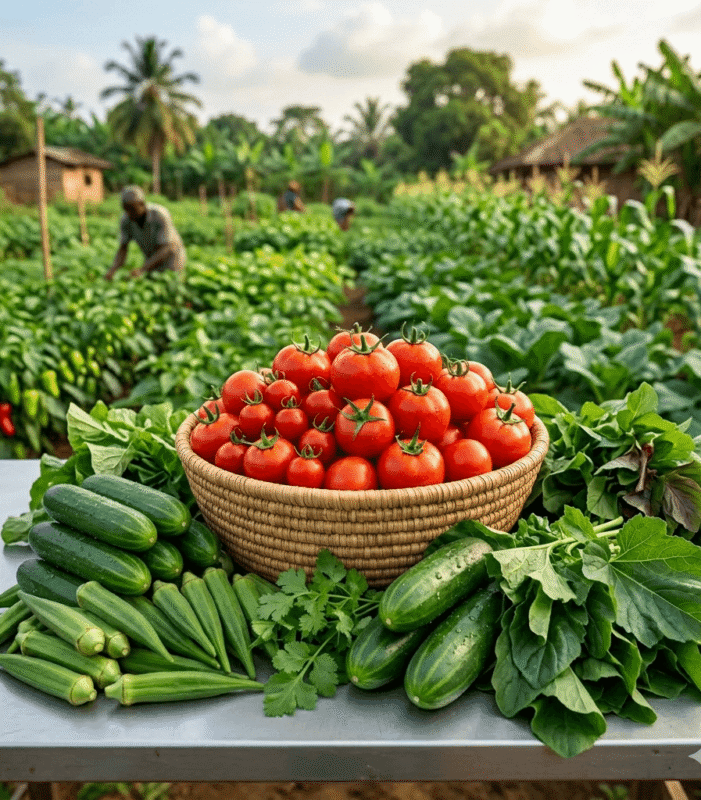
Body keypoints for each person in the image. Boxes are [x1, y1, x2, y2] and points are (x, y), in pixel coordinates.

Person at [105, 186, 186, 281]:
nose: (129, 214)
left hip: (172, 258)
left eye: (132, 209)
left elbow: (167, 247)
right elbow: (123, 248)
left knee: (172, 284)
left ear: (142, 204)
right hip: (152, 260)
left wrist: (142, 269)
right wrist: (113, 270)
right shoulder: (126, 219)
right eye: (126, 210)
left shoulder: (159, 214)